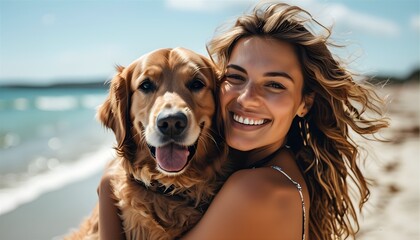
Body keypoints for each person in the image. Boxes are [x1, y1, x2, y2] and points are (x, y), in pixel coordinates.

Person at [98, 2, 389, 239]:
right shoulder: (266, 166)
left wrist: (108, 188)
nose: (247, 99)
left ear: (304, 103)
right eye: (236, 78)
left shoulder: (254, 189)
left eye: (274, 84)